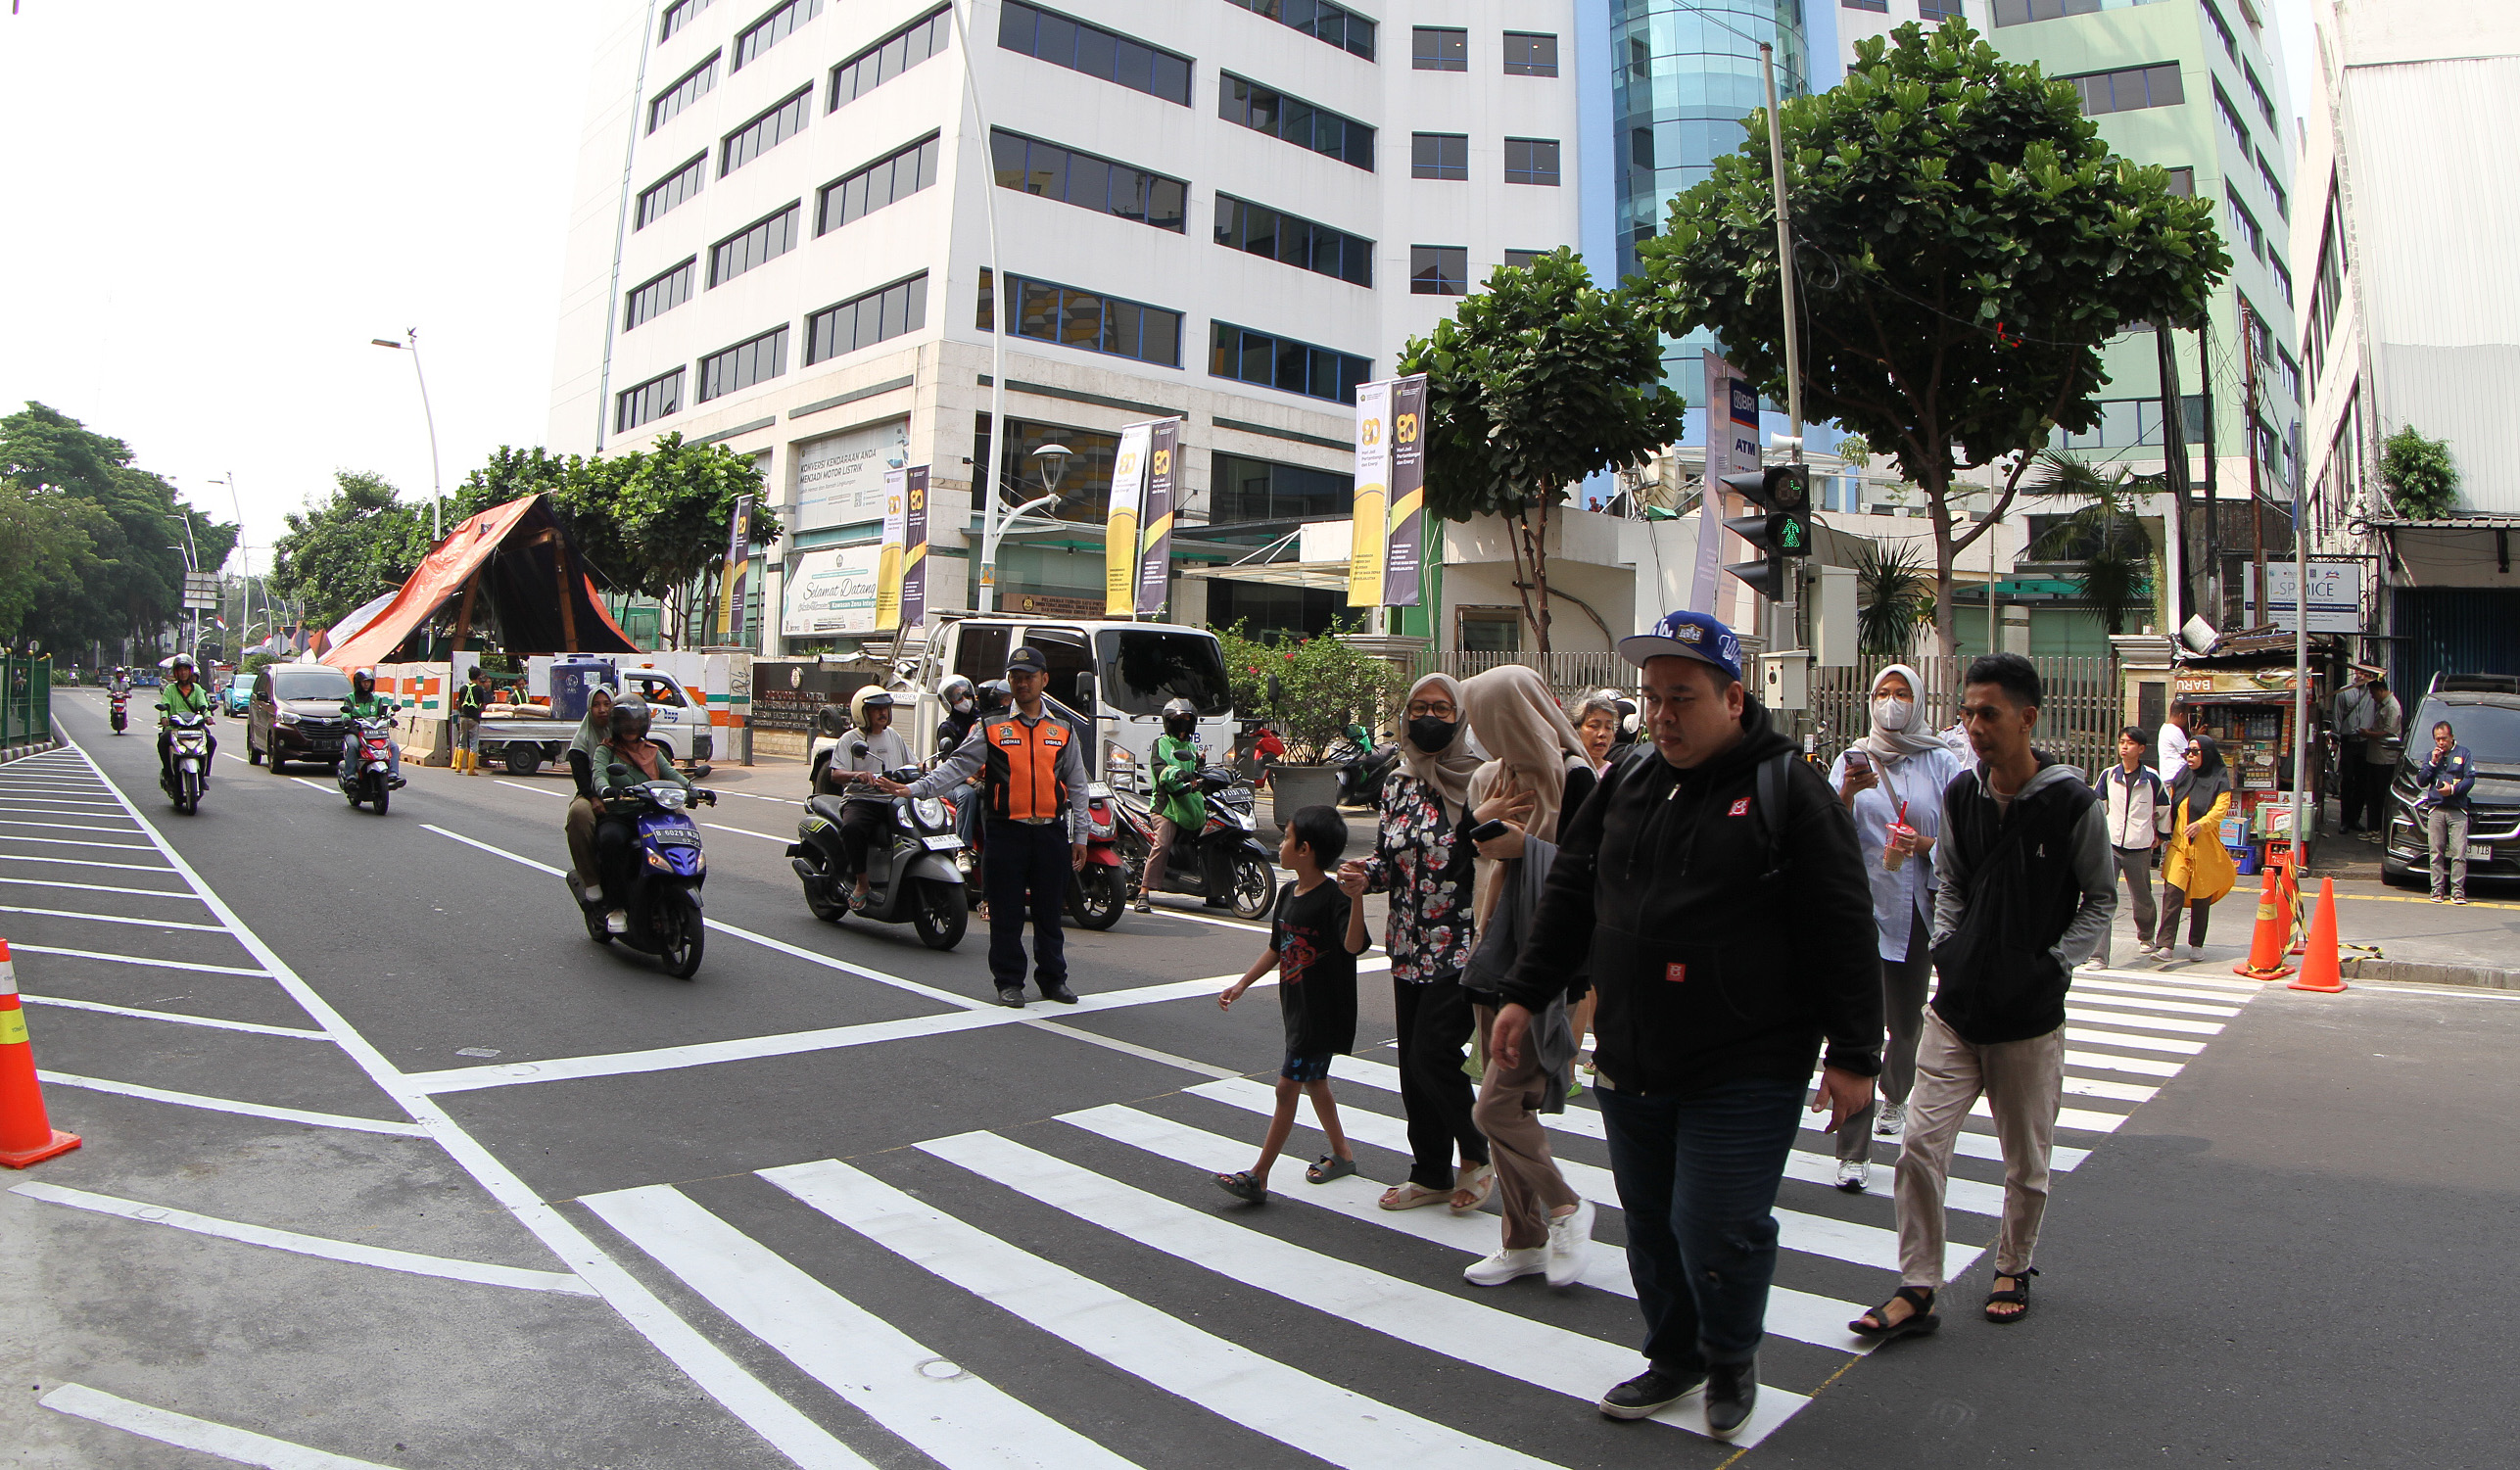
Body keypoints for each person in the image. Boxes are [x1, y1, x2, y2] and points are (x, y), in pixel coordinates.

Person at [1489, 610, 1880, 1437]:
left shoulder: (1788, 789)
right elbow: (1571, 891)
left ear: (1733, 698)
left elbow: (1843, 926)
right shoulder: (1628, 779)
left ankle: (1730, 1354)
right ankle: (1674, 1354)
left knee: (1717, 1223)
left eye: (1682, 697)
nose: (1662, 715)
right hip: (1634, 1051)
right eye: (1653, 697)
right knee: (1651, 1223)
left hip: (1748, 1059)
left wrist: (1854, 1054)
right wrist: (1526, 991)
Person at [1853, 652, 2113, 1345]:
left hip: (2027, 1019)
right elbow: (1952, 881)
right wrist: (1949, 946)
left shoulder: (2071, 803)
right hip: (1956, 1010)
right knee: (1918, 1145)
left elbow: (2100, 899)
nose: (1972, 726)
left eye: (1987, 714)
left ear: (2027, 718)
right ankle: (1918, 1284)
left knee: (2024, 1162)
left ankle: (2012, 1266)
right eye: (1967, 712)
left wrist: (2053, 964)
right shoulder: (1962, 796)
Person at [1456, 665, 1596, 1288]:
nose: (1481, 733)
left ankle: (1565, 1206)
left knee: (1495, 1109)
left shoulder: (1577, 778)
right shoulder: (1498, 777)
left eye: (1487, 719)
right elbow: (1466, 854)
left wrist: (1527, 850)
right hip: (1496, 956)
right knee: (1505, 1105)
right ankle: (1522, 1239)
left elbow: (1596, 873)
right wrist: (1476, 823)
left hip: (1544, 966)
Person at [1339, 674, 1495, 1214]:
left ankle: (1476, 1155)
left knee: (1434, 1053)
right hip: (1407, 945)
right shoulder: (1398, 783)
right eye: (1419, 707)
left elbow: (1498, 863)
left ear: (1461, 717)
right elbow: (1389, 861)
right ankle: (1430, 1171)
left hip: (1464, 945)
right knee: (1412, 1066)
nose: (1429, 717)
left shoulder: (1481, 781)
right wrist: (1364, 876)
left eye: (1443, 709)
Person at [1825, 663, 1965, 1192]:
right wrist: (1847, 794)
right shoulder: (1852, 758)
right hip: (1862, 911)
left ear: (1918, 700)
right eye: (1882, 692)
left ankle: (1896, 1094)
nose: (1891, 702)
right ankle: (1852, 1150)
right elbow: (1826, 831)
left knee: (1905, 1027)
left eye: (1902, 693)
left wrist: (1924, 845)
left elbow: (1963, 839)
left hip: (1918, 913)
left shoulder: (1941, 761)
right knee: (1859, 1030)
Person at [888, 646, 1089, 1007]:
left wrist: (1081, 836)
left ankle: (1053, 980)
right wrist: (915, 789)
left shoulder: (1062, 728)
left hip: (1049, 833)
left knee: (1049, 913)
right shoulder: (991, 726)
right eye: (1016, 677)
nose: (1022, 683)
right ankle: (1009, 982)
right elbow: (956, 767)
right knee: (1006, 913)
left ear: (1044, 680)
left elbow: (1077, 784)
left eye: (1029, 677)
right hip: (1006, 833)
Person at [1214, 805, 1368, 1202]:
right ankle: (1342, 1153)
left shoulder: (1335, 898)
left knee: (1287, 1087)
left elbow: (1354, 946)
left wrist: (1356, 901)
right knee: (1315, 1082)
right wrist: (1243, 984)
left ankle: (1259, 1175)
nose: (1280, 845)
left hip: (1322, 1013)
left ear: (1304, 849)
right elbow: (1276, 947)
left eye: (1286, 838)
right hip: (1298, 1008)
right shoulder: (1287, 893)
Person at [594, 696, 693, 934]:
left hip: (652, 816)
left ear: (644, 725)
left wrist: (693, 789)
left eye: (636, 723)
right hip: (621, 816)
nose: (631, 728)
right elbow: (599, 774)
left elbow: (672, 775)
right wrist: (606, 789)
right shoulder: (606, 751)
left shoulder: (653, 751)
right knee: (610, 840)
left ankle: (676, 883)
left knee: (683, 834)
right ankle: (616, 906)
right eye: (625, 722)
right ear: (615, 724)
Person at [828, 688, 912, 908]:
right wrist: (857, 775)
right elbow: (835, 773)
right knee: (852, 829)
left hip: (893, 798)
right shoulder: (850, 739)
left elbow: (912, 763)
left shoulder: (893, 736)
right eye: (876, 709)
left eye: (885, 708)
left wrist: (924, 769)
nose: (883, 713)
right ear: (862, 713)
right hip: (861, 799)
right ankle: (862, 883)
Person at [2158, 735, 2237, 963]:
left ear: (2207, 755)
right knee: (2172, 892)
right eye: (2187, 752)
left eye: (2194, 752)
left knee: (2201, 896)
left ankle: (2197, 943)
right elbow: (2170, 808)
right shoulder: (2182, 777)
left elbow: (2219, 811)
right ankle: (2165, 945)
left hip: (2205, 847)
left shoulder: (2219, 782)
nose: (2189, 756)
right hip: (2179, 847)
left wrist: (2201, 824)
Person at [2095, 727, 2170, 964]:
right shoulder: (2108, 775)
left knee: (2142, 897)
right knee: (2103, 897)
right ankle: (2098, 955)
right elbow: (2097, 805)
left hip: (2139, 847)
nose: (2124, 747)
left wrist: (2162, 835)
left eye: (2130, 743)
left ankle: (2146, 935)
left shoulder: (2152, 779)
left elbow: (2164, 809)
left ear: (2141, 749)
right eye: (2121, 742)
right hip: (2111, 845)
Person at [1137, 697, 1206, 912]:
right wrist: (1177, 773)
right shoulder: (1161, 744)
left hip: (1189, 803)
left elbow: (1197, 771)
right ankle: (1144, 892)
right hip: (1166, 805)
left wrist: (1202, 767)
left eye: (1187, 719)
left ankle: (1213, 890)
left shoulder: (1191, 747)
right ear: (1169, 722)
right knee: (1163, 842)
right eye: (1179, 719)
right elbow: (1159, 767)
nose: (1184, 724)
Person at [563, 685, 618, 901]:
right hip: (592, 794)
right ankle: (592, 880)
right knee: (579, 814)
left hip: (626, 793)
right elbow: (582, 777)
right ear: (589, 709)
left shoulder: (625, 732)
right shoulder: (582, 741)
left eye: (606, 704)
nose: (602, 709)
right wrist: (594, 798)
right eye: (596, 705)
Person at [2414, 720, 2477, 904]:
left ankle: (2458, 891)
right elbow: (2421, 781)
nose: (2441, 742)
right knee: (2436, 852)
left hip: (2457, 810)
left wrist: (2453, 790)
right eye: (2437, 739)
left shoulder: (2464, 753)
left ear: (2452, 737)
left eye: (2444, 738)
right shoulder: (2431, 756)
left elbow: (2470, 779)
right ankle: (2437, 890)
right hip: (2437, 809)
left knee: (2459, 853)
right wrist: (2432, 763)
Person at [155, 654, 218, 786]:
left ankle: (202, 775)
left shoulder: (197, 689)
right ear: (176, 672)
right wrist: (164, 717)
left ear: (190, 672)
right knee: (162, 741)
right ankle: (168, 772)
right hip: (175, 728)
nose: (183, 673)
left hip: (194, 727)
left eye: (185, 669)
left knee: (211, 741)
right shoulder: (170, 689)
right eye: (180, 670)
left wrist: (207, 716)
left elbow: (203, 706)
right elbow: (165, 706)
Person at [338, 669, 406, 788]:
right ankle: (350, 776)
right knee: (353, 745)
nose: (366, 684)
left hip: (374, 733)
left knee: (393, 746)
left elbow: (382, 714)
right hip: (356, 731)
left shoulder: (376, 699)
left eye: (368, 682)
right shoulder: (350, 698)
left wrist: (390, 720)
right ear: (358, 683)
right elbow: (345, 712)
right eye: (364, 682)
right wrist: (347, 720)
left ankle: (393, 774)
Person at [2357, 677, 2402, 837]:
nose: (2372, 697)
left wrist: (2368, 734)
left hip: (2385, 759)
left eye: (2373, 693)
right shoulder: (2382, 706)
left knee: (2381, 795)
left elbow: (2388, 732)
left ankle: (2381, 831)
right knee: (2372, 794)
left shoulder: (2392, 707)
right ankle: (2373, 828)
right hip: (2375, 756)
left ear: (2380, 690)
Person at [2332, 670, 2374, 833]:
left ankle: (2355, 819)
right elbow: (2337, 716)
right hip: (2348, 741)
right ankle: (2344, 821)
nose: (2361, 676)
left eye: (2365, 674)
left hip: (2365, 742)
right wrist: (2335, 739)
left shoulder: (2372, 693)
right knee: (2347, 781)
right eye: (2359, 673)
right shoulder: (2344, 692)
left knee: (2362, 782)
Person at [1566, 689, 1623, 778]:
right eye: (1594, 726)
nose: (1602, 734)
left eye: (1608, 727)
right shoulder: (1565, 770)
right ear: (1575, 728)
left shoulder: (1615, 775)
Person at [452, 665, 491, 776]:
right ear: (478, 677)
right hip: (474, 718)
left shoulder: (462, 688)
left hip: (463, 717)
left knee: (462, 741)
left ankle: (458, 766)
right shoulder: (479, 689)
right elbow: (482, 704)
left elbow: (459, 702)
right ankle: (470, 769)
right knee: (473, 742)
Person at [2156, 701, 2192, 776]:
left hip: (2169, 774)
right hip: (2175, 775)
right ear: (2181, 715)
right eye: (2186, 716)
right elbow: (2187, 753)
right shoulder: (2174, 730)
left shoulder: (2165, 727)